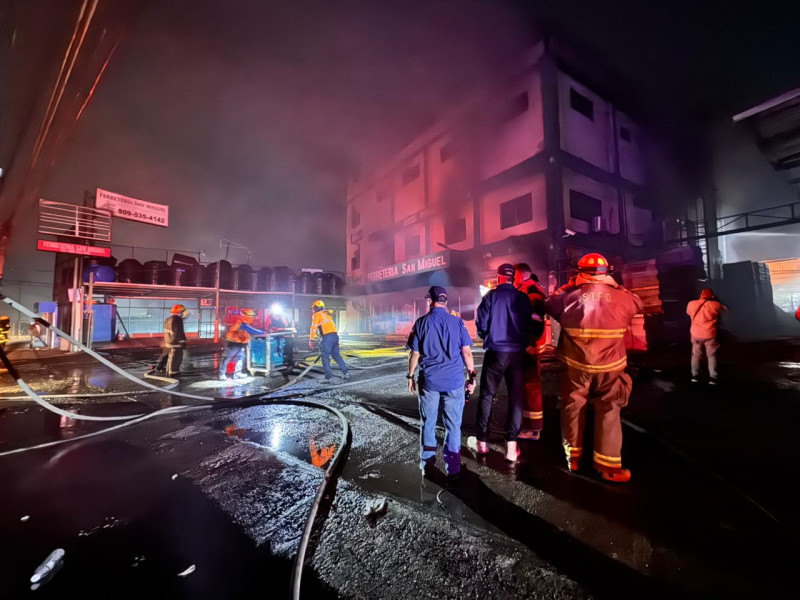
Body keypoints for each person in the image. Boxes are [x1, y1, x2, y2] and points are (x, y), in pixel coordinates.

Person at [545, 253, 642, 483]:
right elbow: (637, 303)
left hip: (577, 366)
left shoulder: (569, 298)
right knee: (609, 410)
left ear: (579, 273)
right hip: (611, 367)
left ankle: (573, 457)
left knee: (573, 406)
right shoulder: (622, 297)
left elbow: (548, 304)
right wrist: (616, 286)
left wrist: (568, 286)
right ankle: (608, 466)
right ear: (606, 272)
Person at [407, 286, 476, 480]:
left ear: (430, 300)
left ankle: (427, 465)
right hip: (454, 383)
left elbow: (415, 354)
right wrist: (472, 378)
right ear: (445, 302)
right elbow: (467, 352)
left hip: (429, 383)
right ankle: (453, 467)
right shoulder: (457, 322)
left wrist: (410, 377)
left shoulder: (421, 323)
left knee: (428, 423)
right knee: (453, 425)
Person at [472, 263, 533, 462]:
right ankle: (511, 447)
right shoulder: (523, 298)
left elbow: (481, 324)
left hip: (496, 353)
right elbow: (529, 324)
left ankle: (482, 442)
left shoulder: (489, 297)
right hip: (516, 354)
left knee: (487, 396)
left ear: (498, 277)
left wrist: (487, 335)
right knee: (516, 398)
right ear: (513, 278)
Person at [514, 264, 547, 440]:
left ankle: (533, 429)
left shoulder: (531, 292)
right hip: (527, 345)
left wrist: (529, 344)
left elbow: (535, 320)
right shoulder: (527, 289)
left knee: (531, 387)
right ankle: (531, 426)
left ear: (519, 275)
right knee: (528, 387)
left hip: (529, 346)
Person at [686, 288, 727, 385]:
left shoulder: (691, 304)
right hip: (710, 334)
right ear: (712, 296)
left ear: (701, 295)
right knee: (711, 356)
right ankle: (713, 377)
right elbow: (725, 311)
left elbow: (688, 313)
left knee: (696, 355)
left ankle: (695, 376)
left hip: (696, 334)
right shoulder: (715, 305)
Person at [309, 300, 349, 383]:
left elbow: (313, 328)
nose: (313, 309)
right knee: (336, 355)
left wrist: (311, 340)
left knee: (325, 357)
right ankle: (346, 373)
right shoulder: (326, 315)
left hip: (327, 338)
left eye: (314, 307)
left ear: (316, 307)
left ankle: (328, 378)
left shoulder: (316, 315)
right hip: (335, 336)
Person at [220, 308, 264, 380]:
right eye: (251, 317)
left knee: (241, 357)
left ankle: (237, 372)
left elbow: (246, 332)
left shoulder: (243, 323)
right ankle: (222, 374)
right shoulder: (241, 324)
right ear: (247, 316)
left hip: (239, 342)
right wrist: (263, 332)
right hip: (233, 342)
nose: (252, 318)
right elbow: (252, 330)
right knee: (228, 357)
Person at [155, 304, 188, 376]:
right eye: (183, 312)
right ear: (180, 312)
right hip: (175, 343)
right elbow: (178, 332)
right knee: (176, 357)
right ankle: (173, 372)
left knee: (170, 357)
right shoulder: (178, 320)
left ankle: (167, 370)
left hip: (168, 342)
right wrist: (182, 342)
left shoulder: (168, 319)